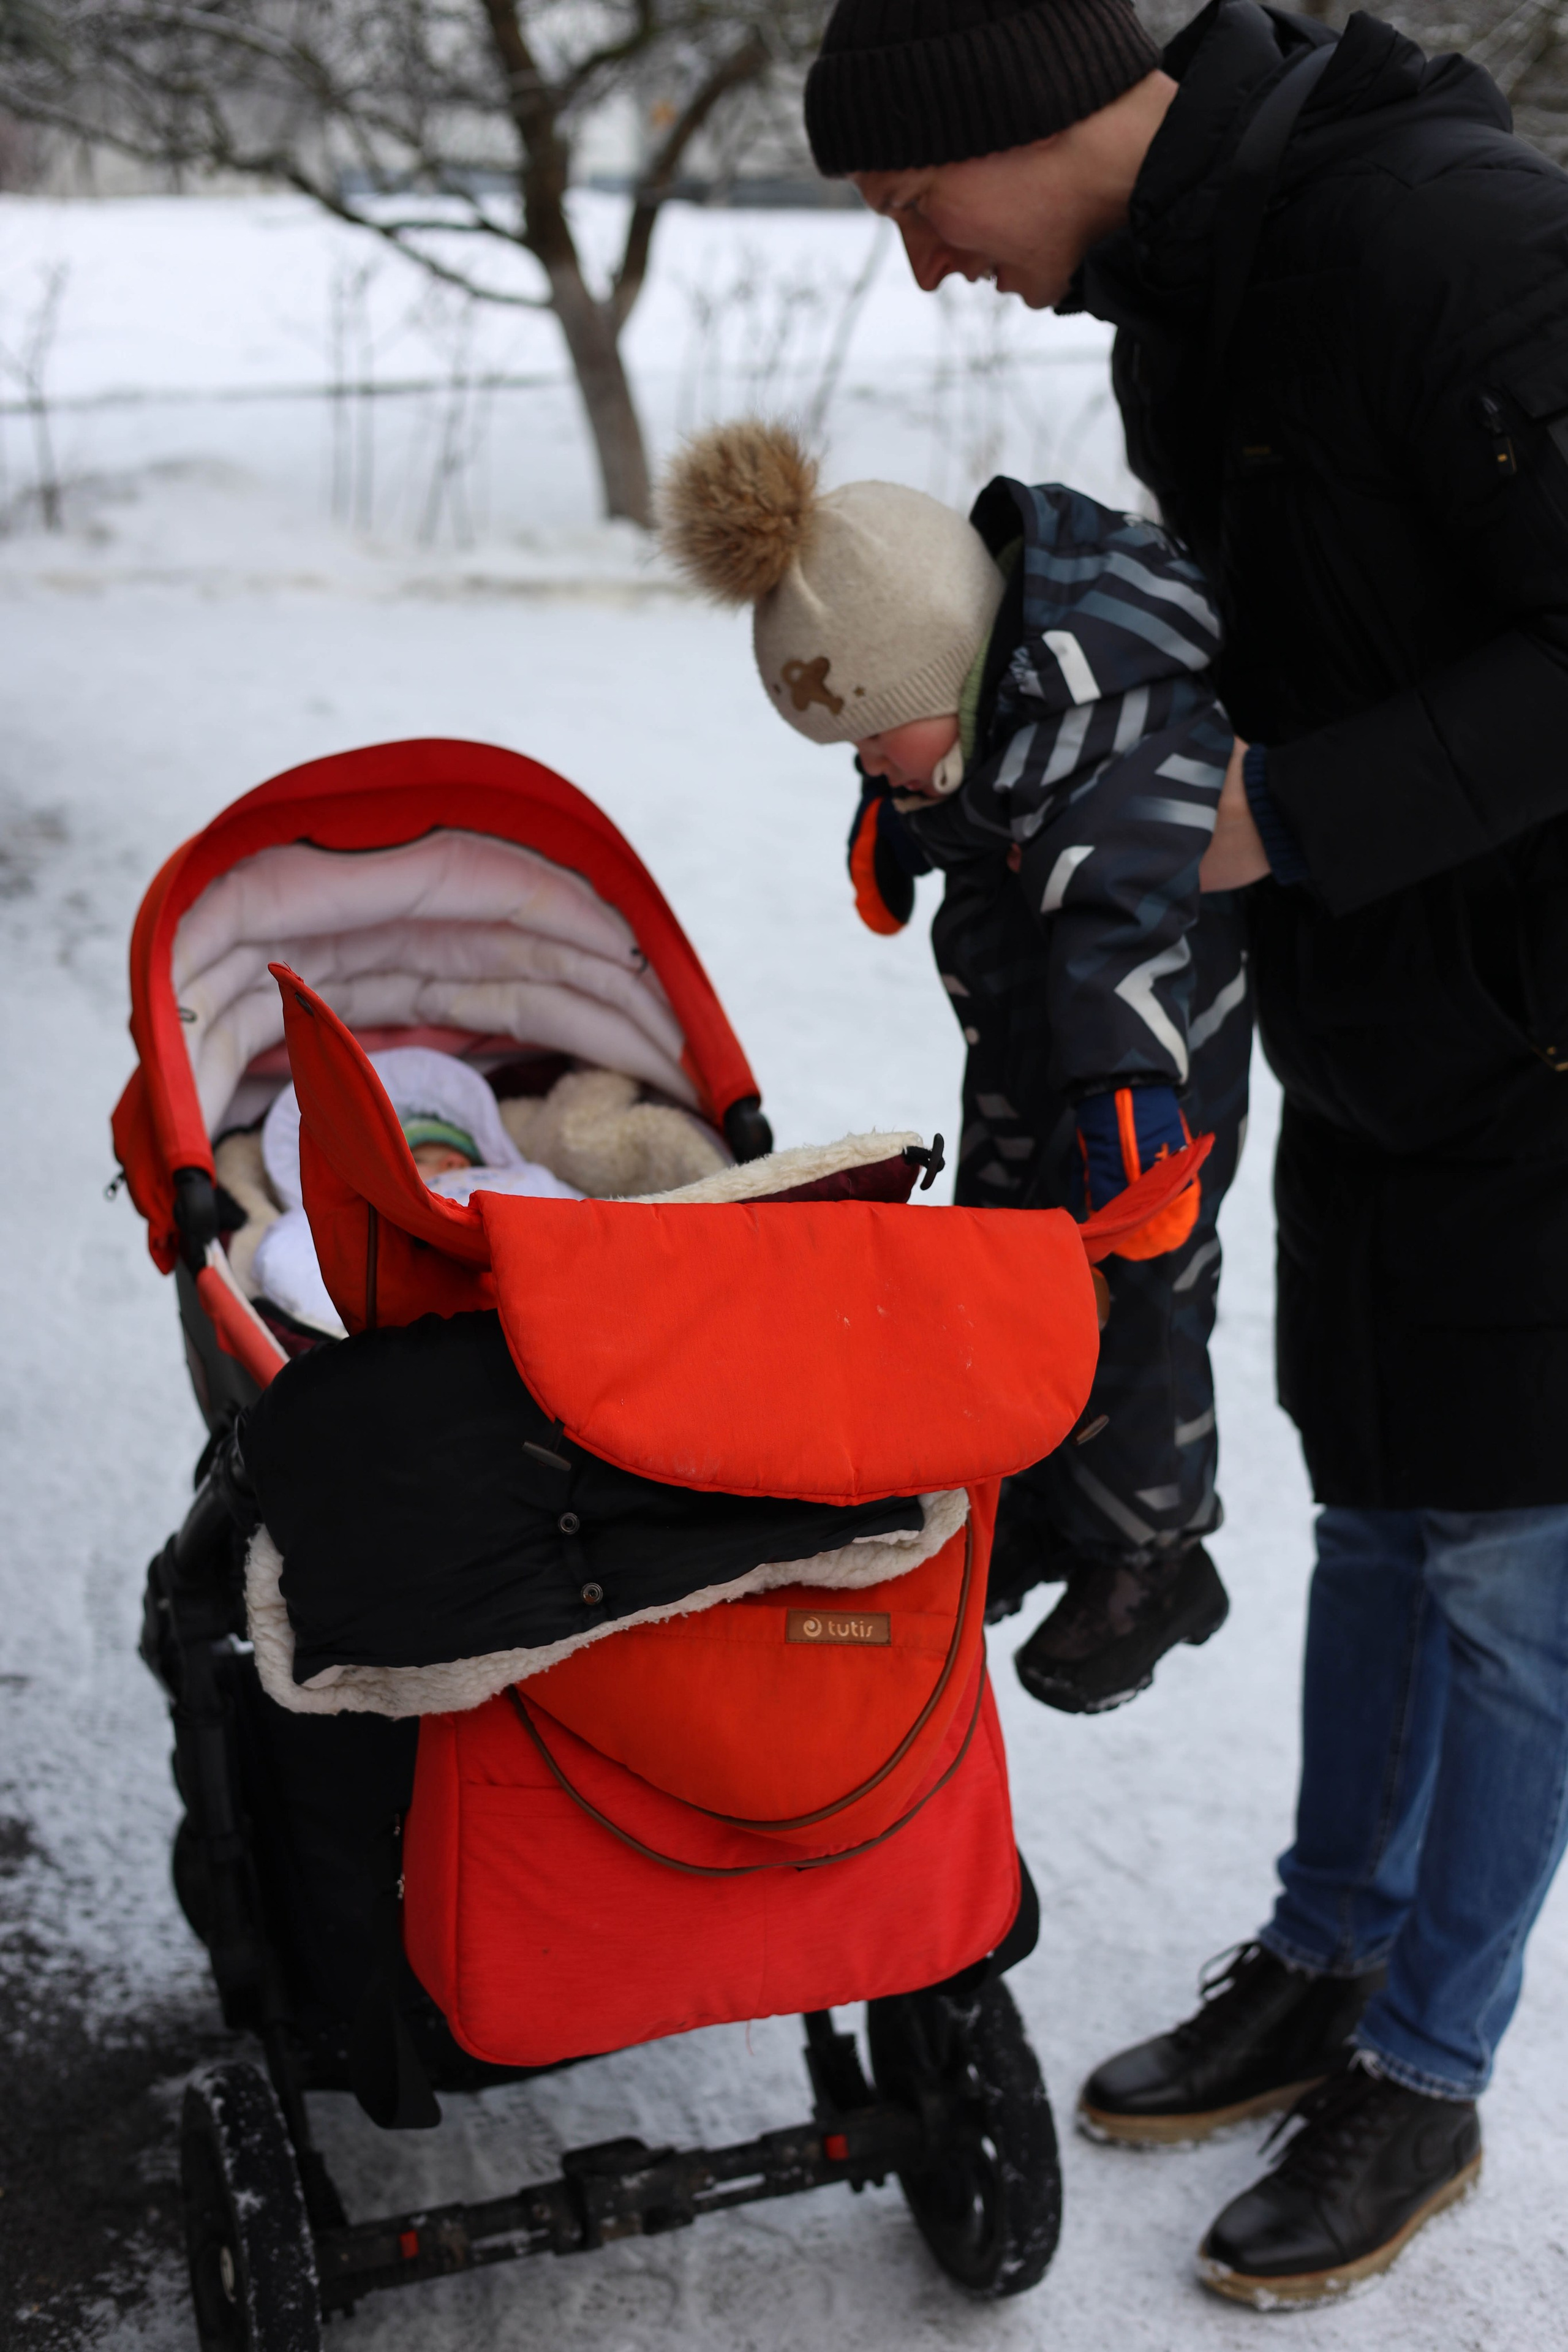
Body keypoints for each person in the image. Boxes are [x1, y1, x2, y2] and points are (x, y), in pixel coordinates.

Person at [803, 0, 1568, 2310]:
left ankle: (1427, 2073)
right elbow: (1244, 637)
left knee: (1509, 1586)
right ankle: (1328, 1961)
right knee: (1376, 1520)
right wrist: (1015, 743)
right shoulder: (1191, 312)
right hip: (1368, 1021)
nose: (929, 268)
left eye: (921, 211)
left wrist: (1288, 817)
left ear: (1017, 122)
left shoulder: (1453, 239)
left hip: (1547, 1035)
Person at [659, 418, 1250, 1713]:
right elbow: (966, 782)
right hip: (1034, 1059)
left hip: (1142, 1083)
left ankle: (1153, 1551)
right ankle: (1043, 1505)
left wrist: (1128, 1113)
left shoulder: (1119, 731)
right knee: (1007, 1278)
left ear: (936, 671)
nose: (870, 769)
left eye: (871, 741)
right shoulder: (992, 717)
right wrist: (904, 824)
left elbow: (1121, 929)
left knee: (1138, 1306)